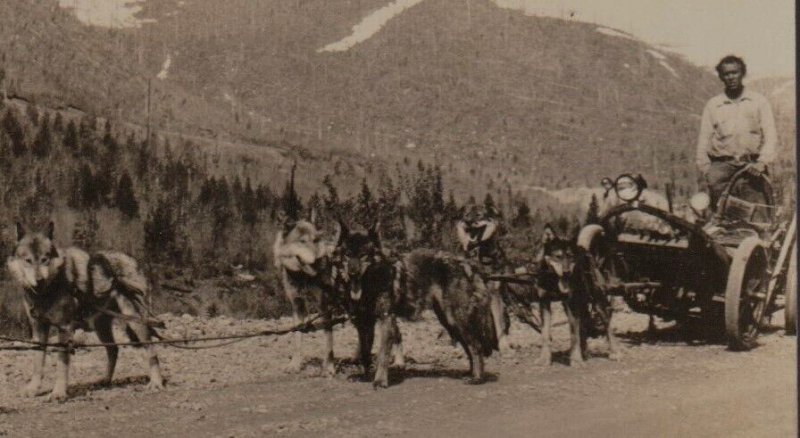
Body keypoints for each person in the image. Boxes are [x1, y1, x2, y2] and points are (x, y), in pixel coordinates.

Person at [696, 55, 778, 213]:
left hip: (751, 168)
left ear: (743, 73)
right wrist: (708, 170)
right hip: (721, 170)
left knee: (756, 217)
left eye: (735, 72)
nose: (731, 77)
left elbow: (771, 136)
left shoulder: (758, 102)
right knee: (720, 219)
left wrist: (762, 162)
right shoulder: (714, 105)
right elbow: (703, 139)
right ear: (721, 77)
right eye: (726, 74)